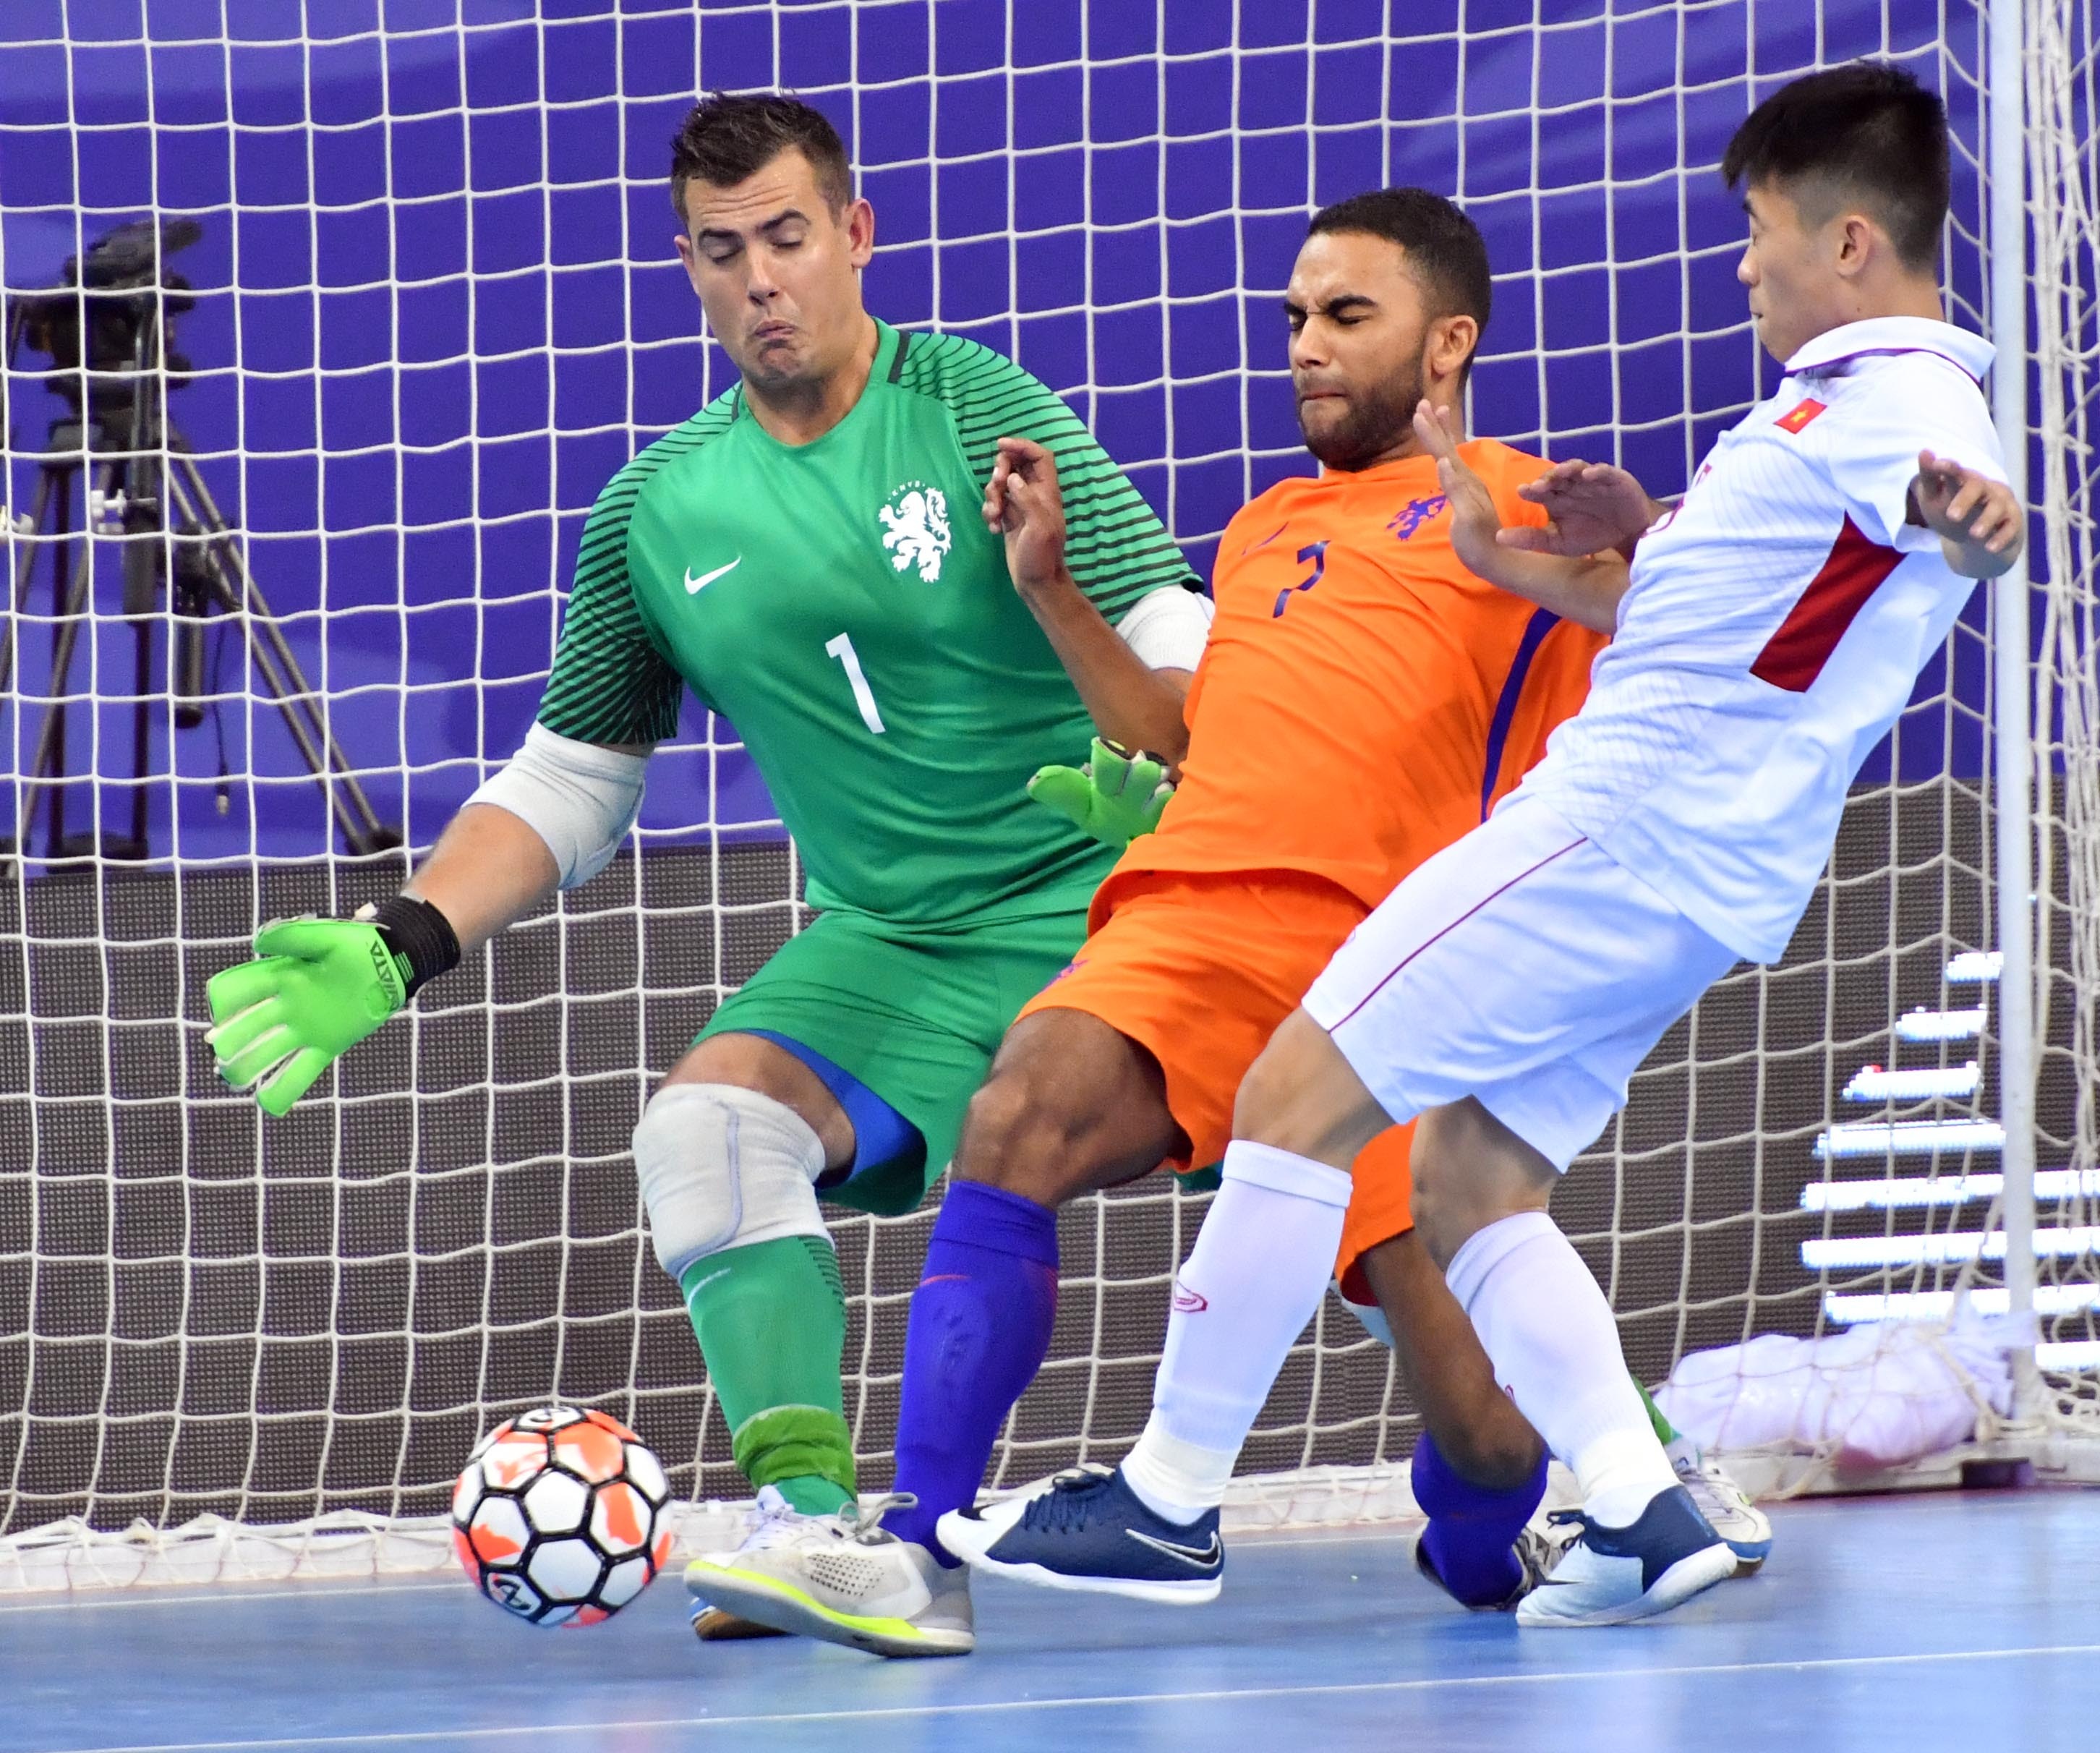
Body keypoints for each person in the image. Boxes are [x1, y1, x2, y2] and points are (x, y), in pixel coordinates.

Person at [947, 61, 2021, 1628]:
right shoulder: (1821, 407)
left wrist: (1973, 520)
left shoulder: (1901, 401)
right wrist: (1572, 545)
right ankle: (1641, 1509)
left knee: (1290, 1095)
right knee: (1468, 1175)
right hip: (1709, 873)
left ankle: (1168, 1500)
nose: (1744, 269)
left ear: (1850, 243)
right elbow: (1711, 618)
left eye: (1760, 234)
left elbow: (1954, 510)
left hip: (1620, 823)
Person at [683, 188, 1759, 1658]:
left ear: (1448, 343)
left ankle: (1543, 1519)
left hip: (1384, 974)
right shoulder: (1261, 528)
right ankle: (916, 1551)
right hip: (1190, 919)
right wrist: (1051, 591)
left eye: (1348, 317)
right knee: (1016, 1116)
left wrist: (1642, 554)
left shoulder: (1527, 511)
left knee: (1490, 1448)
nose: (1307, 346)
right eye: (1297, 318)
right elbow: (1189, 736)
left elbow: (1709, 638)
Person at [198, 92, 1211, 1637]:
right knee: (708, 1130)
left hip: (1110, 901)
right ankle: (816, 1531)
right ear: (689, 266)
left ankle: (1567, 1459)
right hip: (894, 942)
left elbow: (1172, 628)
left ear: (856, 235)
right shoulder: (655, 511)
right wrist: (404, 936)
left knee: (1360, 1184)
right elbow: (572, 779)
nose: (762, 280)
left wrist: (1191, 761)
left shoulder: (968, 402)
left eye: (788, 238)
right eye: (723, 251)